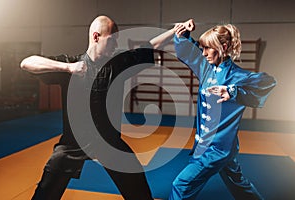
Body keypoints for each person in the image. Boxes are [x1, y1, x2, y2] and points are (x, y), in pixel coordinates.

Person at [20, 15, 191, 200]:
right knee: (44, 194)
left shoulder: (117, 64)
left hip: (110, 143)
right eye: (112, 39)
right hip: (73, 144)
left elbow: (149, 46)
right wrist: (68, 68)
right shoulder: (71, 64)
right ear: (96, 37)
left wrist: (175, 31)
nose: (115, 44)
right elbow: (26, 63)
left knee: (140, 193)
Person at [169, 20, 276, 199]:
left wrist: (233, 91)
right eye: (202, 48)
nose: (203, 53)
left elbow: (269, 82)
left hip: (217, 148)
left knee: (181, 184)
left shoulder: (238, 76)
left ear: (224, 47)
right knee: (239, 184)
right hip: (215, 144)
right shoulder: (206, 68)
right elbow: (191, 51)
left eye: (208, 49)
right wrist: (183, 34)